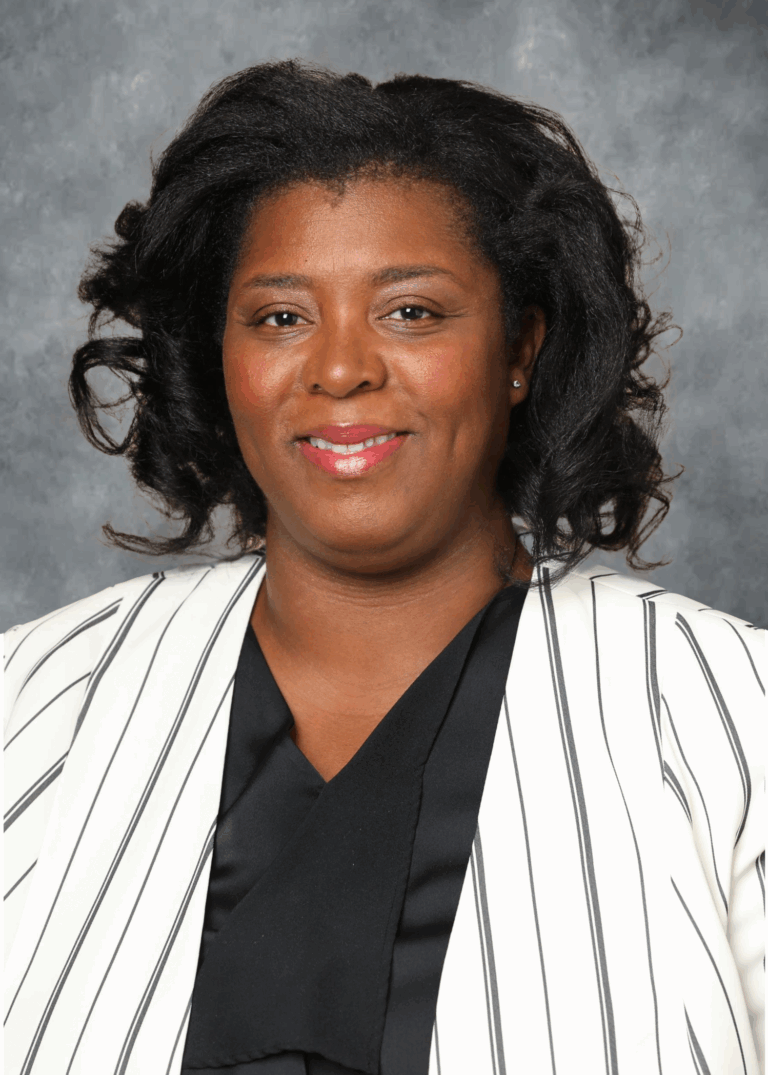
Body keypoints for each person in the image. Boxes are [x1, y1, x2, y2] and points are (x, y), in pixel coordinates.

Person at [3, 60, 764, 1075]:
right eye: (281, 317)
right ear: (218, 355)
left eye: (411, 311)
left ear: (519, 349)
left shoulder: (731, 714)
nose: (340, 368)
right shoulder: (32, 700)